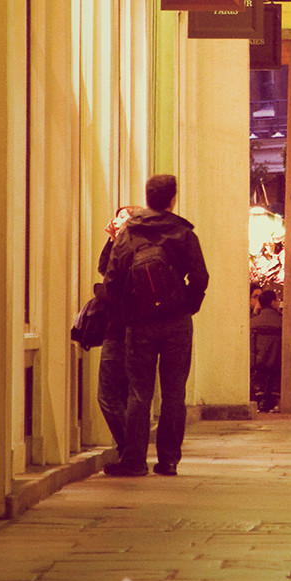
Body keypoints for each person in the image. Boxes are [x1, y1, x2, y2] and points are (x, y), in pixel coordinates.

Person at [101, 174, 209, 478]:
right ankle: (169, 460)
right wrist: (188, 305)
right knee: (174, 392)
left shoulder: (130, 234)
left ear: (147, 198)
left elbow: (112, 281)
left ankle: (134, 460)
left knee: (139, 392)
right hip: (177, 323)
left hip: (140, 323)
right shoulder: (183, 233)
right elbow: (200, 276)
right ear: (172, 199)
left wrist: (129, 310)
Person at [96, 205, 140, 452]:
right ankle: (129, 451)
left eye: (123, 216)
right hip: (133, 329)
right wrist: (113, 240)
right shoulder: (125, 245)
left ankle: (131, 450)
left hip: (121, 329)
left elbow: (111, 279)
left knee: (108, 395)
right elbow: (104, 269)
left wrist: (117, 241)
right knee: (125, 394)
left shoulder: (131, 248)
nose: (116, 219)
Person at [250, 287, 283, 413]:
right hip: (277, 366)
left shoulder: (252, 323)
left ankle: (260, 398)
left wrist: (254, 313)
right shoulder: (282, 323)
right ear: (273, 302)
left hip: (258, 365)